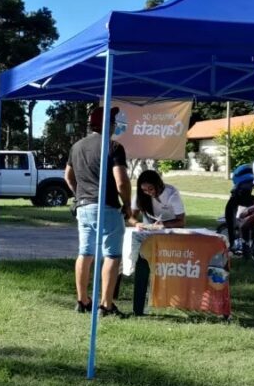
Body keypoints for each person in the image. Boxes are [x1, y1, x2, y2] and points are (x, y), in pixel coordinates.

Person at [64, 106, 132, 317]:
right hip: (107, 207)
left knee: (85, 253)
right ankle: (106, 305)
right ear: (107, 124)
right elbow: (122, 182)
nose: (115, 126)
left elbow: (68, 176)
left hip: (83, 207)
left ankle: (82, 300)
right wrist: (127, 204)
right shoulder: (114, 147)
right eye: (113, 122)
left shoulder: (76, 146)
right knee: (112, 255)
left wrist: (79, 194)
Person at [126, 170, 186, 315]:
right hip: (149, 229)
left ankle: (172, 296)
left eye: (151, 189)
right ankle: (139, 304)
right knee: (142, 258)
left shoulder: (172, 194)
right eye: (144, 190)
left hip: (170, 229)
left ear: (158, 185)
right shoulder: (140, 196)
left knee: (168, 263)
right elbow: (130, 217)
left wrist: (163, 226)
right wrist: (137, 224)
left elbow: (181, 221)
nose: (148, 192)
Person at [225, 163, 254, 254]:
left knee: (233, 220)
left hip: (243, 204)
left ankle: (235, 242)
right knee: (234, 220)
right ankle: (236, 242)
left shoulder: (237, 192)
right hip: (246, 203)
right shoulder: (252, 194)